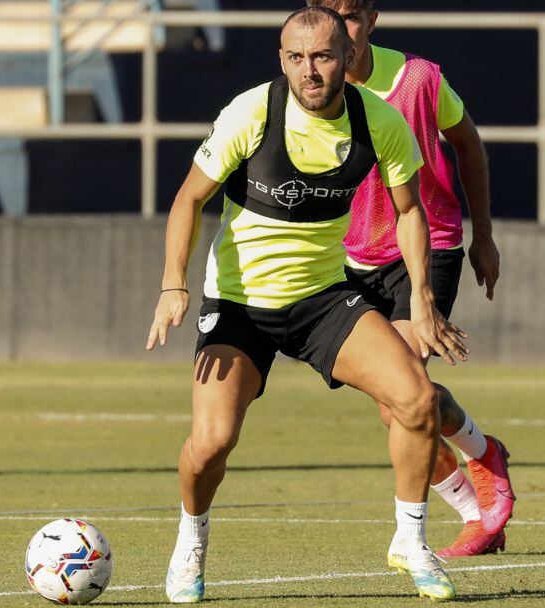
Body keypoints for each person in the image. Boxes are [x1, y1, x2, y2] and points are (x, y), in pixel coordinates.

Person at [146, 7, 468, 603]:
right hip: (240, 303)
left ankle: (411, 540)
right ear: (282, 61)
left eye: (322, 56)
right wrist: (174, 283)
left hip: (323, 300)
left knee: (417, 400)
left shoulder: (380, 121)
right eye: (296, 58)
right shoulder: (251, 112)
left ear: (347, 56)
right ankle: (191, 537)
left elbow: (408, 211)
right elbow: (188, 199)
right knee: (211, 443)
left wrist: (422, 300)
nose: (310, 71)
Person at [308, 0, 515, 558]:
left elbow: (467, 143)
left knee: (405, 395)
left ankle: (477, 512)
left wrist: (485, 235)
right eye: (327, 13)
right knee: (394, 402)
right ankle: (483, 457)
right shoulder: (307, 86)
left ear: (371, 20)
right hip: (349, 257)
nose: (340, 27)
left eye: (350, 16)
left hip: (427, 246)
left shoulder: (418, 80)